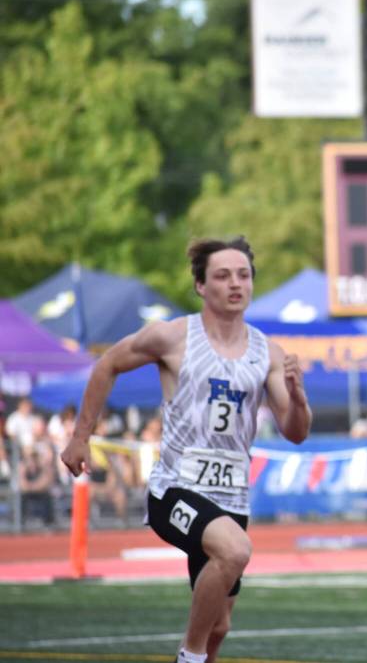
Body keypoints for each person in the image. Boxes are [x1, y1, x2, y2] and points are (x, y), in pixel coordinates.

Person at [61, 237, 311, 663]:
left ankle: (201, 651)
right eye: (222, 275)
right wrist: (81, 435)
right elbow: (108, 365)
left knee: (220, 627)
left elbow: (295, 432)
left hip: (232, 496)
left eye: (244, 275)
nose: (236, 284)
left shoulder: (267, 353)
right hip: (175, 489)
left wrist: (298, 397)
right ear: (200, 285)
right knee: (234, 551)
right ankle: (188, 656)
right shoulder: (172, 336)